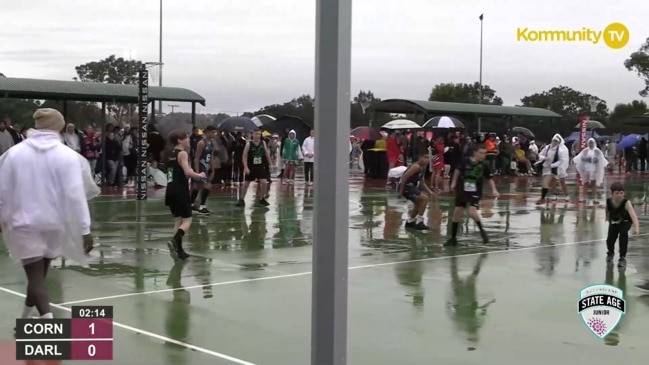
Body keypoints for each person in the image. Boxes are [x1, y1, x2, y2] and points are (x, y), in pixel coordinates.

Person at [0, 108, 100, 320]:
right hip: (55, 223)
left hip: (24, 223)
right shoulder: (68, 157)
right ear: (61, 126)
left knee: (35, 277)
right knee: (39, 276)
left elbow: (3, 191)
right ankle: (28, 318)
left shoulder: (15, 154)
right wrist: (84, 229)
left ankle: (46, 320)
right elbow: (75, 195)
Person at [446, 144, 500, 246]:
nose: (483, 155)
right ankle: (453, 238)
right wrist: (453, 183)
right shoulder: (465, 161)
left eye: (485, 153)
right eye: (481, 153)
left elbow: (489, 179)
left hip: (475, 191)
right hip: (462, 190)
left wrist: (494, 190)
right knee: (457, 212)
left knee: (472, 212)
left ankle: (482, 232)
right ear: (475, 152)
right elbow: (457, 171)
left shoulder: (484, 165)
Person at [165, 129, 206, 261]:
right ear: (179, 140)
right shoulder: (182, 153)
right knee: (187, 220)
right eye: (186, 137)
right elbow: (187, 172)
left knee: (178, 220)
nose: (188, 139)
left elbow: (177, 171)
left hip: (170, 190)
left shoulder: (169, 154)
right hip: (180, 190)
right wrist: (199, 175)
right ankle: (175, 240)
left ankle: (179, 250)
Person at [605, 182, 639, 268]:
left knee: (623, 235)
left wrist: (636, 227)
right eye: (617, 193)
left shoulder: (626, 203)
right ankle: (610, 252)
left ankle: (622, 258)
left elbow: (633, 215)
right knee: (610, 239)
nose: (619, 195)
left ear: (624, 193)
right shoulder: (609, 201)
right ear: (612, 193)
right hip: (614, 220)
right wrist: (607, 217)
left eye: (621, 193)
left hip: (626, 221)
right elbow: (607, 208)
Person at [397, 152, 433, 230]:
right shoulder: (416, 166)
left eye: (428, 158)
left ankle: (410, 222)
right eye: (425, 157)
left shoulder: (422, 168)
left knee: (419, 203)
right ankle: (420, 222)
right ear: (420, 157)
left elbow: (422, 183)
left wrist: (430, 191)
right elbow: (404, 177)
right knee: (425, 198)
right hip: (407, 187)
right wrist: (401, 191)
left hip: (411, 187)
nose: (427, 160)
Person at [237, 129, 272, 207]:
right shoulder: (249, 144)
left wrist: (270, 164)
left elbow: (267, 154)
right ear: (252, 135)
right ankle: (241, 199)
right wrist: (246, 167)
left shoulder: (263, 143)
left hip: (260, 166)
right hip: (251, 166)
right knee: (246, 183)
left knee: (264, 182)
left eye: (259, 134)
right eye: (256, 134)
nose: (257, 136)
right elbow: (244, 156)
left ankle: (262, 198)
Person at [535, 134, 570, 204]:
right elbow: (541, 154)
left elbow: (561, 160)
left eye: (556, 141)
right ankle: (554, 194)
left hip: (554, 169)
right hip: (546, 167)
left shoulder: (560, 150)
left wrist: (553, 165)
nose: (554, 142)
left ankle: (566, 195)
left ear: (559, 142)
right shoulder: (547, 147)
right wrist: (544, 158)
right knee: (551, 182)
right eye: (553, 141)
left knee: (560, 182)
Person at [573, 138, 608, 205]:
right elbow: (580, 158)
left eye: (592, 143)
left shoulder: (597, 151)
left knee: (593, 184)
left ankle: (595, 198)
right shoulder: (585, 151)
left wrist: (594, 160)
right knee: (585, 183)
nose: (591, 144)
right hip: (586, 169)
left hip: (594, 170)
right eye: (589, 143)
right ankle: (583, 198)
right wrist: (586, 159)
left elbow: (601, 160)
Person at [190, 125, 216, 215]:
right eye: (213, 132)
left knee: (198, 186)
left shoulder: (212, 143)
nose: (214, 134)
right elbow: (196, 158)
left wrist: (213, 169)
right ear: (208, 132)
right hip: (200, 167)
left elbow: (211, 157)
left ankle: (190, 203)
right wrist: (196, 172)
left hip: (206, 167)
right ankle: (202, 206)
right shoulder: (201, 143)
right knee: (207, 186)